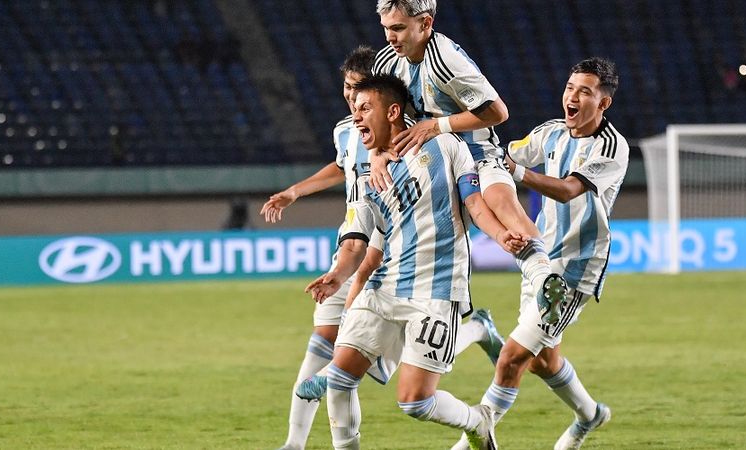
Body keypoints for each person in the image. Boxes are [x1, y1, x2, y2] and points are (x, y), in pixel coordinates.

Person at [260, 47, 503, 450]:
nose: (353, 106)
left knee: (412, 397)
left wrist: (507, 237)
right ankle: (296, 441)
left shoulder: (437, 142)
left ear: (390, 105)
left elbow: (474, 199)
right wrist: (340, 272)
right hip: (373, 262)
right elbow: (358, 220)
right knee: (333, 362)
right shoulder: (353, 140)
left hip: (429, 283)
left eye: (362, 97)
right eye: (349, 95)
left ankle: (477, 401)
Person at [454, 57, 629, 450]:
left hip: (575, 270)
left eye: (585, 91)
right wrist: (494, 164)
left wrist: (516, 173)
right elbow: (510, 155)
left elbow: (568, 189)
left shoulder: (613, 148)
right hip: (541, 258)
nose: (572, 97)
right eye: (570, 88)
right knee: (542, 361)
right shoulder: (550, 133)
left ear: (604, 103)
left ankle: (473, 441)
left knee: (512, 358)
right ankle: (590, 414)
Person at [368, 0, 568, 324]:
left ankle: (545, 280)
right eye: (387, 28)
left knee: (500, 203)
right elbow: (377, 117)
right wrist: (377, 155)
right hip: (429, 165)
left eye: (399, 28)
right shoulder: (387, 62)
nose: (390, 37)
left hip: (476, 154)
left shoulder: (445, 59)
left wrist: (436, 125)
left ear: (426, 24)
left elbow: (498, 112)